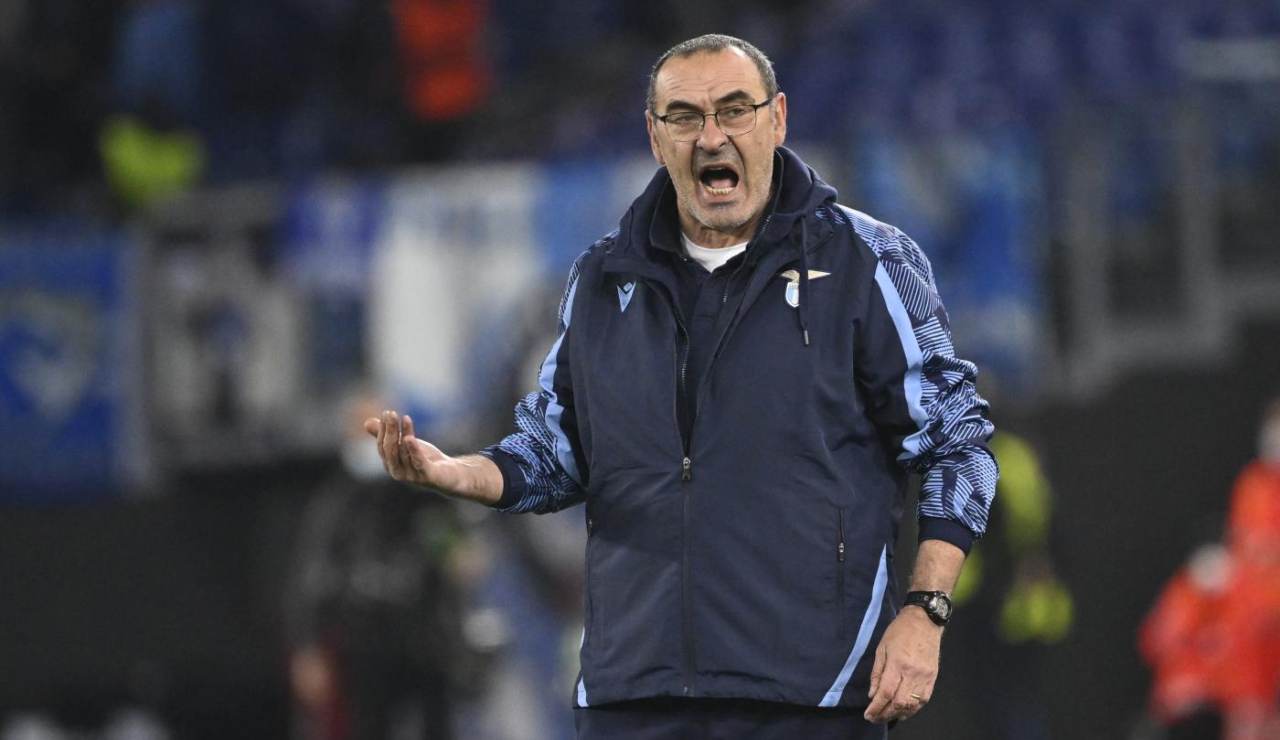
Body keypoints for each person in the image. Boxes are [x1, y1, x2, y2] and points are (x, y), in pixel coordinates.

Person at [364, 34, 997, 739]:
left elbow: (959, 447)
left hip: (811, 695)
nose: (711, 136)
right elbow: (556, 450)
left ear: (777, 119)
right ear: (655, 136)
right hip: (635, 695)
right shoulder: (601, 279)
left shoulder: (868, 262)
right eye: (685, 117)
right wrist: (460, 473)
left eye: (734, 109)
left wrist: (926, 612)